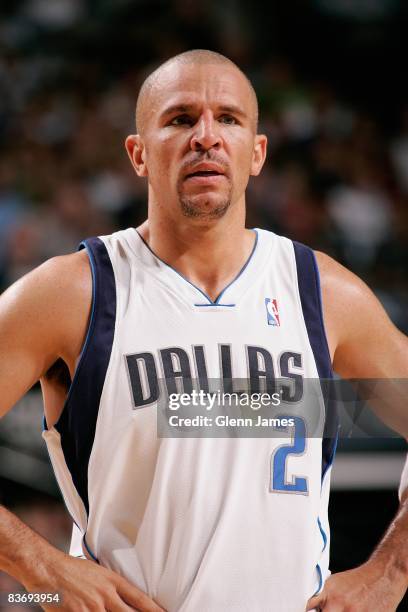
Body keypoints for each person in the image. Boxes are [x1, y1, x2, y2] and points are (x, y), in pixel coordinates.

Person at [0, 49, 407, 612]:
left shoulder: (322, 291)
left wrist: (393, 570)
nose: (206, 137)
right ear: (138, 154)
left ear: (257, 153)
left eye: (230, 119)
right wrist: (42, 570)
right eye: (181, 119)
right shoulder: (74, 292)